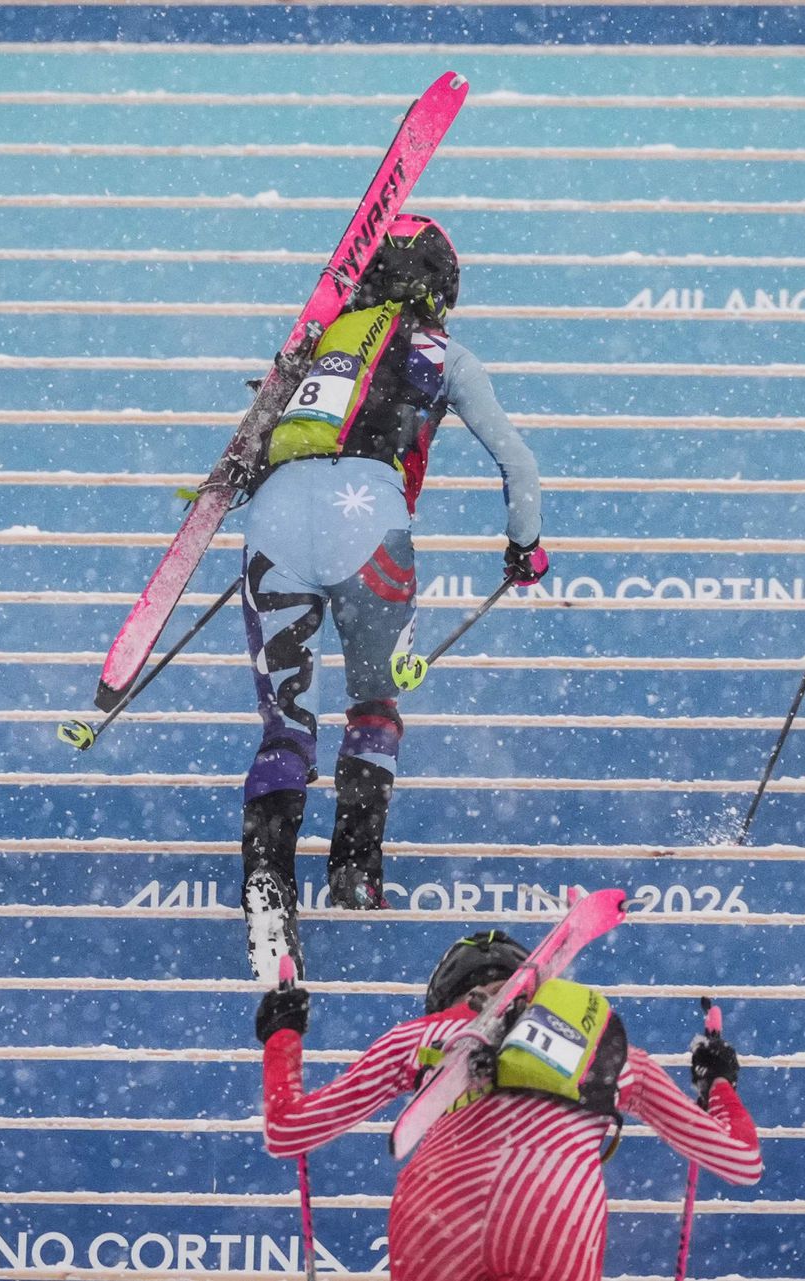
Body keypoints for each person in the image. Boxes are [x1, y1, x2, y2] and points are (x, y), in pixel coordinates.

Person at [237, 215, 547, 980]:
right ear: (441, 290)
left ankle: (268, 883)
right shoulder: (445, 353)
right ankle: (354, 873)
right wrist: (524, 545)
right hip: (370, 523)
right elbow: (519, 464)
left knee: (285, 727)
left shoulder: (318, 344)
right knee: (374, 704)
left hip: (273, 520)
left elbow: (252, 441)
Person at [254, 930, 763, 1280]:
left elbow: (288, 1130)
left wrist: (282, 1033)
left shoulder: (421, 1035)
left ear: (446, 994)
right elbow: (741, 1161)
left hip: (438, 1216)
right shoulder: (608, 1048)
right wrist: (717, 1083)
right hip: (555, 1211)